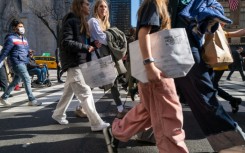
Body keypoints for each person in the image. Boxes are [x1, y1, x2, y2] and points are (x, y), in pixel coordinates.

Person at [103, 0, 189, 153]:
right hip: (157, 68)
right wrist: (149, 65)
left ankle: (115, 132)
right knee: (169, 116)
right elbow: (143, 32)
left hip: (158, 67)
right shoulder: (153, 3)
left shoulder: (157, 4)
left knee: (149, 111)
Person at [168, 0, 245, 151]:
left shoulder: (205, 2)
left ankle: (234, 145)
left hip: (186, 46)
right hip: (163, 47)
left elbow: (216, 14)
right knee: (160, 95)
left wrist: (205, 16)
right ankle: (129, 129)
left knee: (203, 95)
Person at [52, 0, 110, 132]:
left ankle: (58, 114)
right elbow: (66, 43)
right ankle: (96, 122)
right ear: (79, 6)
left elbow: (82, 42)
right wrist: (86, 47)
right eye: (86, 4)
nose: (89, 6)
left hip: (80, 62)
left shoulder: (81, 22)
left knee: (68, 92)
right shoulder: (71, 22)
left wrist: (93, 45)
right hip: (74, 63)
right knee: (85, 92)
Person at [86, 0, 128, 119]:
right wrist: (111, 36)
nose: (103, 9)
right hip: (97, 58)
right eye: (101, 6)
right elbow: (103, 39)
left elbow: (106, 39)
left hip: (104, 58)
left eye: (105, 7)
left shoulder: (106, 24)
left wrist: (108, 36)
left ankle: (120, 109)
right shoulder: (93, 21)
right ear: (96, 9)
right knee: (92, 84)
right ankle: (80, 107)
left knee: (111, 82)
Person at [0, 19, 41, 106]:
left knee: (15, 82)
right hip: (16, 62)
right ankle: (31, 99)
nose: (22, 28)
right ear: (14, 28)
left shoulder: (24, 39)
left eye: (22, 26)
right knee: (27, 78)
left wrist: (29, 52)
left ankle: (4, 97)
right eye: (20, 26)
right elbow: (5, 51)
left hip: (24, 62)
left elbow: (25, 50)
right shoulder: (11, 39)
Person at [212, 27, 245, 113]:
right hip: (219, 64)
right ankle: (233, 100)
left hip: (214, 64)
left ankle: (231, 101)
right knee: (212, 85)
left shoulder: (212, 31)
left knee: (210, 85)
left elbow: (239, 33)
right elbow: (239, 33)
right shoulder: (220, 32)